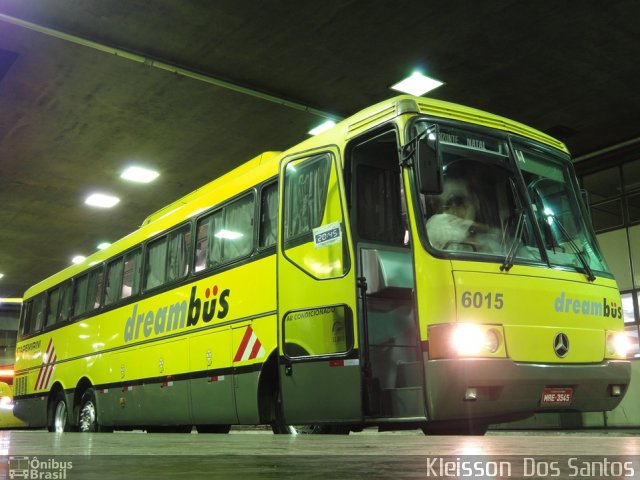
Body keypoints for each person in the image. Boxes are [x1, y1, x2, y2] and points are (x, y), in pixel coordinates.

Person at [426, 176, 500, 253]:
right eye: (465, 208)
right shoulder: (441, 220)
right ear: (457, 207)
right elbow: (473, 227)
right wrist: (494, 231)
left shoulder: (443, 220)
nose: (466, 212)